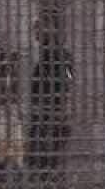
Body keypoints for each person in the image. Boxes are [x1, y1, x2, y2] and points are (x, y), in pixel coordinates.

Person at [25, 9, 73, 185]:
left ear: (51, 28)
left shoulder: (53, 56)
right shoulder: (60, 54)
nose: (35, 32)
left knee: (44, 169)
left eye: (39, 27)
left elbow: (61, 88)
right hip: (50, 123)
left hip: (48, 124)